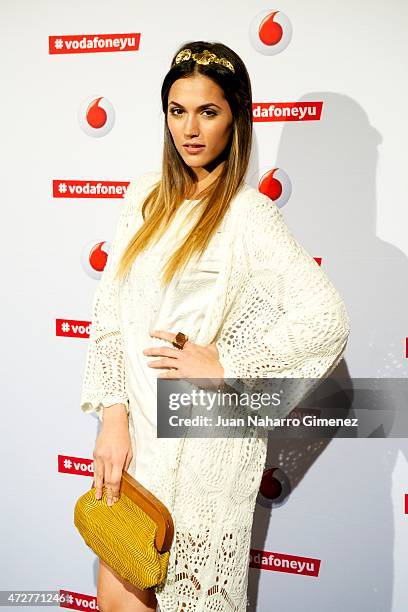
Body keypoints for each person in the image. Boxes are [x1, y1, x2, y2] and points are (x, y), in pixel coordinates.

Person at [80, 41, 350, 612]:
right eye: (178, 110)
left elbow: (325, 318)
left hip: (202, 455)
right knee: (114, 600)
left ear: (237, 116)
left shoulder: (248, 215)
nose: (190, 129)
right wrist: (112, 416)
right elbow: (108, 314)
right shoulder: (142, 198)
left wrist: (230, 368)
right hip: (133, 448)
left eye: (209, 111)